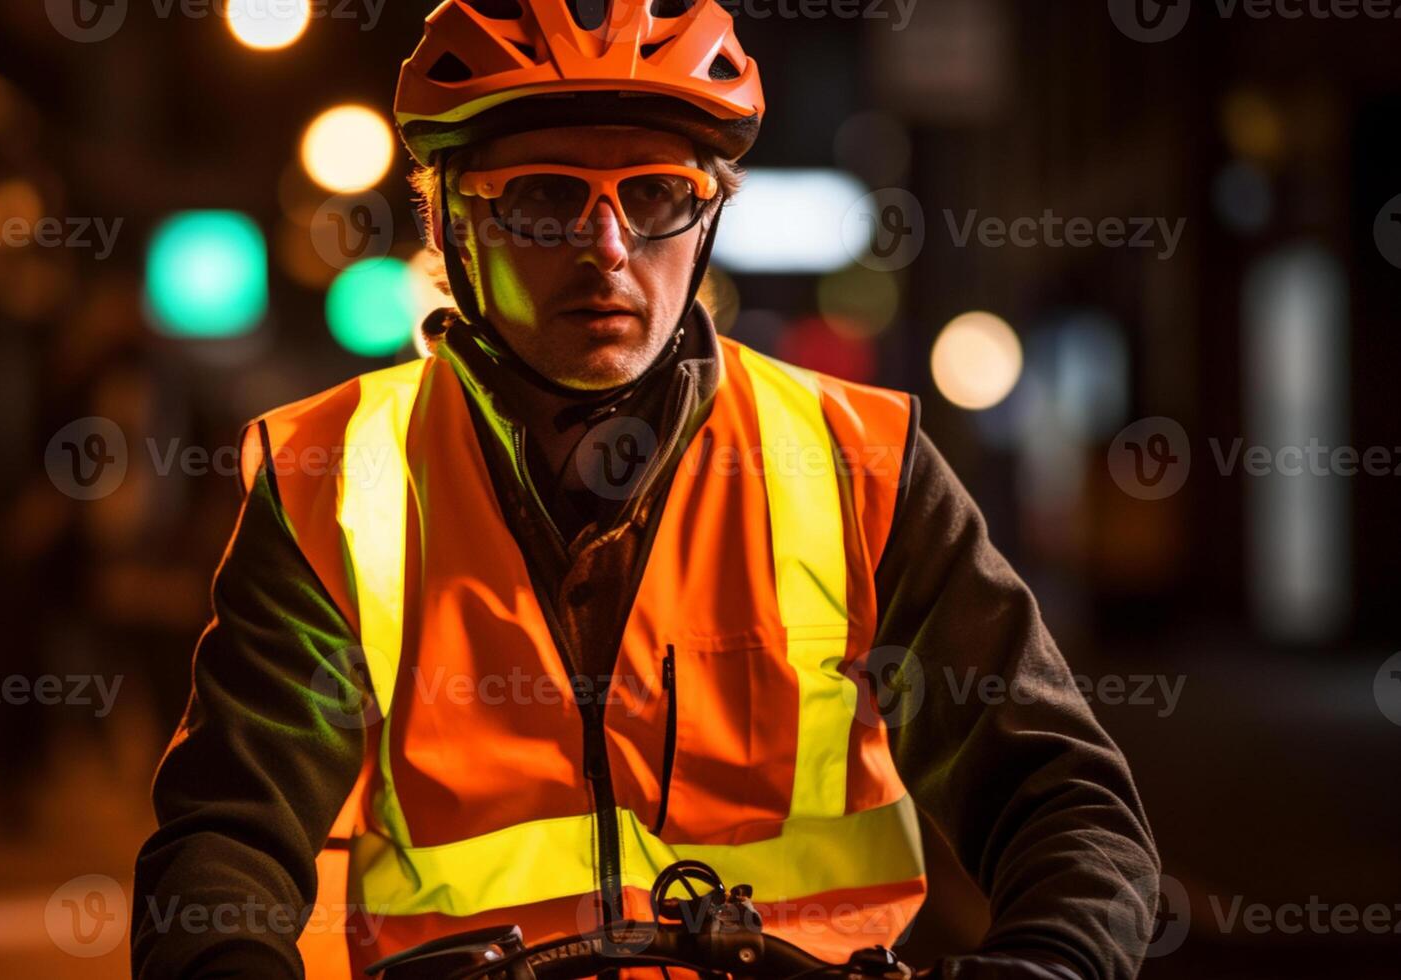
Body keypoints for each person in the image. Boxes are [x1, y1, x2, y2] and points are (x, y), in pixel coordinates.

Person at [133, 0, 1161, 977]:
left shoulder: (858, 466)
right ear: (447, 218)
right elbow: (229, 835)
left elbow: (1062, 796)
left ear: (705, 214)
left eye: (654, 194)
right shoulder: (334, 478)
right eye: (543, 197)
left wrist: (1051, 958)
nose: (607, 247)